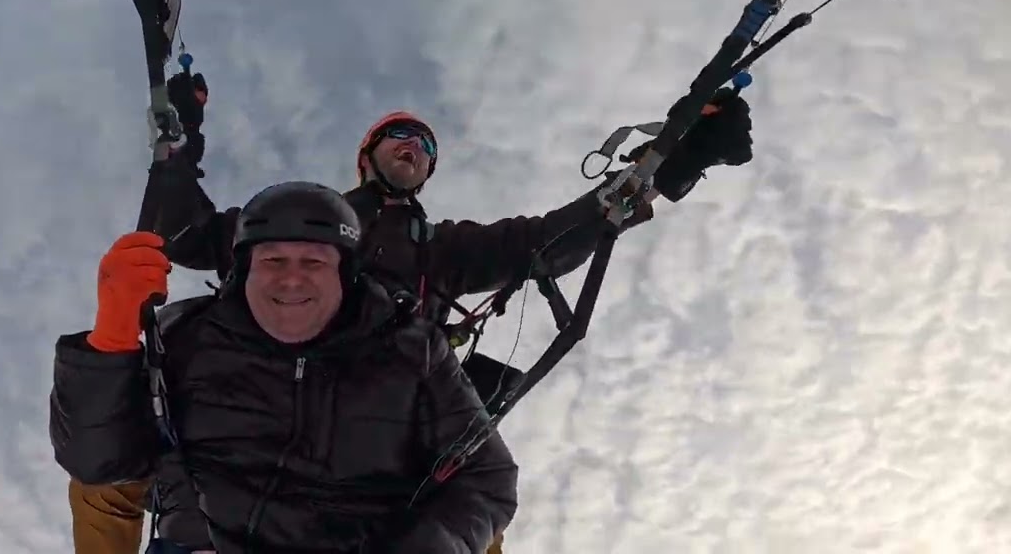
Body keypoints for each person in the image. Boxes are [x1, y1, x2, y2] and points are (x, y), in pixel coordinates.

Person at [66, 74, 755, 553]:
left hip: (382, 421)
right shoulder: (281, 228)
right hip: (251, 406)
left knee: (477, 524)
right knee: (105, 485)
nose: (411, 146)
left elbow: (548, 241)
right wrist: (180, 149)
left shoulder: (444, 251)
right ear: (368, 155)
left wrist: (667, 171)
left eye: (424, 145)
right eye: (398, 136)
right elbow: (183, 235)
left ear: (427, 172)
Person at [52, 182, 519, 554]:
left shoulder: (414, 350)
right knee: (102, 487)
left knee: (479, 534)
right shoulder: (189, 333)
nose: (291, 277)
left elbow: (487, 475)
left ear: (345, 275)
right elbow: (96, 463)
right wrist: (110, 340)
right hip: (204, 534)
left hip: (365, 536)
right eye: (272, 259)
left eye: (313, 261)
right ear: (244, 271)